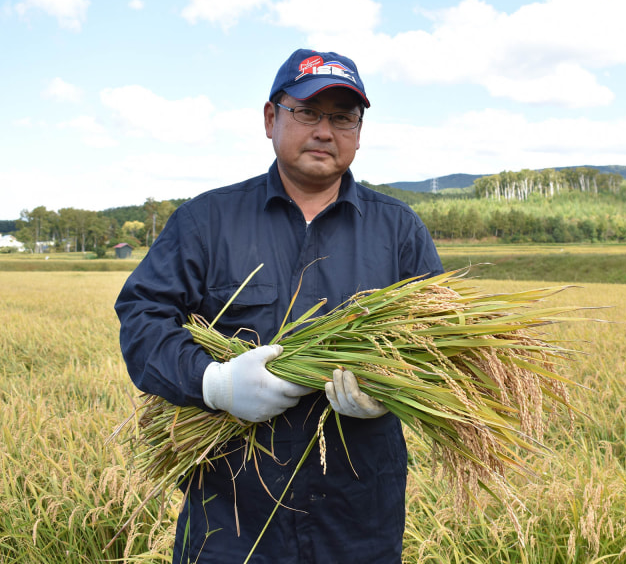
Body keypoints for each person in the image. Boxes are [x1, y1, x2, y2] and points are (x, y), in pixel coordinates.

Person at [114, 48, 444, 564]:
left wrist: (392, 389)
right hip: (230, 521)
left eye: (342, 117)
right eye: (307, 112)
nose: (324, 130)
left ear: (359, 131)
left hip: (359, 524)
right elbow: (143, 320)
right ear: (271, 118)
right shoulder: (207, 221)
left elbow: (442, 347)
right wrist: (215, 383)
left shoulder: (398, 231)